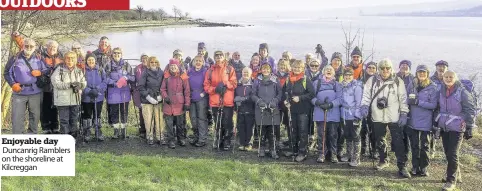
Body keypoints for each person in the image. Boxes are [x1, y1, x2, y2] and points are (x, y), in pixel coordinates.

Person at [360, 59, 410, 178]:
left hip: (394, 116)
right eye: (382, 68)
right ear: (379, 69)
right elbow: (366, 95)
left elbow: (403, 98)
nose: (385, 70)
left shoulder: (398, 81)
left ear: (391, 69)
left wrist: (404, 113)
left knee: (398, 141)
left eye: (388, 68)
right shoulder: (372, 80)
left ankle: (402, 166)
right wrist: (364, 106)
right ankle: (383, 160)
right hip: (377, 115)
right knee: (379, 139)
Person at [436, 70, 476, 191]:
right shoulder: (441, 90)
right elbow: (438, 107)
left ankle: (451, 181)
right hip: (444, 126)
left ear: (455, 78)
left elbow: (470, 109)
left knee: (453, 153)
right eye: (446, 77)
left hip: (457, 127)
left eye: (451, 77)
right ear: (443, 78)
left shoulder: (462, 92)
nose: (448, 79)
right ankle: (456, 174)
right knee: (448, 152)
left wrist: (469, 126)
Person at [4, 38, 47, 134]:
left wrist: (40, 72)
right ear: (23, 46)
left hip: (35, 92)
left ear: (35, 47)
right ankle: (18, 137)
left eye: (31, 46)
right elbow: (6, 72)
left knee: (35, 116)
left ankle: (32, 136)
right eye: (26, 45)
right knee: (17, 117)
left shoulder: (39, 58)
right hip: (19, 92)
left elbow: (47, 70)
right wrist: (12, 84)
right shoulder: (15, 58)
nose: (29, 48)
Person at [406, 65, 438, 177]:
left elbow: (434, 104)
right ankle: (415, 166)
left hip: (426, 121)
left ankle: (424, 167)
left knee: (424, 146)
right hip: (413, 120)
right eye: (420, 72)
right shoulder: (412, 84)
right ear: (416, 73)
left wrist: (418, 102)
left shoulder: (432, 87)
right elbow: (406, 99)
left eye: (424, 72)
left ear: (428, 74)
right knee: (414, 145)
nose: (422, 74)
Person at [204, 50, 237, 151]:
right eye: (216, 56)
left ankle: (227, 140)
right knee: (218, 122)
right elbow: (206, 86)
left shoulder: (229, 69)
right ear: (214, 58)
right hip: (215, 101)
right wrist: (214, 89)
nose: (219, 58)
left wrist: (226, 84)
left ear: (224, 57)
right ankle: (218, 139)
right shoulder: (210, 70)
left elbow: (234, 83)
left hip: (227, 100)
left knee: (227, 122)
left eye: (220, 56)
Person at [282, 60, 315, 161]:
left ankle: (302, 152)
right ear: (292, 68)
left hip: (303, 110)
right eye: (295, 67)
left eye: (298, 68)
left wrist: (300, 98)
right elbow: (285, 92)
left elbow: (312, 94)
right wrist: (286, 101)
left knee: (303, 131)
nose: (296, 69)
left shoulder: (305, 80)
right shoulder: (289, 79)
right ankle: (293, 150)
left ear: (302, 69)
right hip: (292, 109)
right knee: (293, 130)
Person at [51, 51, 87, 140]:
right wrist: (69, 85)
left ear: (75, 60)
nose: (70, 61)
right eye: (68, 58)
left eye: (72, 59)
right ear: (64, 59)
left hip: (75, 99)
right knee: (64, 120)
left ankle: (73, 137)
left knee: (74, 119)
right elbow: (55, 83)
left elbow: (84, 82)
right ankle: (65, 138)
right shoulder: (59, 70)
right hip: (62, 100)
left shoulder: (78, 71)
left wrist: (80, 85)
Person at [312, 65, 342, 163]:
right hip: (320, 113)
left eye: (331, 70)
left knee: (333, 134)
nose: (328, 71)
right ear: (323, 72)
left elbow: (340, 99)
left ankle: (333, 154)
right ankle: (321, 153)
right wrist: (318, 103)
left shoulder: (337, 84)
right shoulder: (317, 83)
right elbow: (311, 96)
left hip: (333, 113)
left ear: (334, 73)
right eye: (326, 69)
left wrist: (331, 104)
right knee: (321, 134)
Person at [252, 63, 282, 159]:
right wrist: (258, 101)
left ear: (270, 70)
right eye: (264, 69)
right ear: (261, 70)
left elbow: (280, 93)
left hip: (273, 108)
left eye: (267, 69)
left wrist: (275, 101)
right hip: (261, 108)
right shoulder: (257, 81)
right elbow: (253, 94)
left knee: (272, 130)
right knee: (262, 130)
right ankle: (261, 148)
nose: (265, 71)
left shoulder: (275, 80)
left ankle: (272, 149)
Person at [105, 47, 135, 139]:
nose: (116, 55)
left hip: (124, 93)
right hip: (113, 92)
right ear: (112, 54)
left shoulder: (126, 65)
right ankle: (116, 131)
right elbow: (105, 78)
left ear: (121, 54)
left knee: (124, 112)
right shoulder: (108, 65)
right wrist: (114, 83)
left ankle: (124, 131)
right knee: (114, 112)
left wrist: (126, 78)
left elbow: (133, 78)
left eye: (118, 53)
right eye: (114, 53)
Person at [162, 59, 191, 148]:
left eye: (175, 66)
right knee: (169, 124)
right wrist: (165, 96)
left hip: (180, 103)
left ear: (178, 66)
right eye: (171, 66)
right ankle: (171, 140)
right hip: (169, 103)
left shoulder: (183, 77)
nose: (173, 67)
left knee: (180, 124)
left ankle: (180, 138)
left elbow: (187, 91)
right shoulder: (166, 77)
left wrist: (187, 103)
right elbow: (162, 89)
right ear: (169, 67)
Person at [81, 52, 107, 142]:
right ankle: (87, 131)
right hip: (86, 97)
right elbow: (81, 82)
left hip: (98, 96)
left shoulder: (100, 70)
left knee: (97, 114)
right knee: (87, 115)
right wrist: (88, 90)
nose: (91, 61)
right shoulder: (83, 70)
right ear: (86, 61)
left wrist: (97, 89)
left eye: (92, 59)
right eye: (89, 60)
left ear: (95, 60)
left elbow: (105, 82)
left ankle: (97, 130)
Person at [340, 68, 363, 166]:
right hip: (345, 115)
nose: (348, 77)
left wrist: (357, 116)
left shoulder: (357, 87)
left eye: (350, 75)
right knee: (347, 135)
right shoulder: (341, 86)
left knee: (355, 136)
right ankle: (349, 154)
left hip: (354, 114)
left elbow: (359, 103)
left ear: (353, 76)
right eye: (346, 75)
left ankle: (356, 158)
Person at [139, 56, 165, 145]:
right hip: (147, 100)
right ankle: (149, 137)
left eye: (155, 62)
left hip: (158, 99)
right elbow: (141, 86)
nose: (154, 64)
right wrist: (148, 97)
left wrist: (161, 95)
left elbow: (164, 85)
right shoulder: (145, 73)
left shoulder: (161, 72)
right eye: (152, 62)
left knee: (159, 119)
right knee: (148, 119)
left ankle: (160, 137)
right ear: (149, 63)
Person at [188, 55, 209, 147]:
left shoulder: (205, 71)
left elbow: (208, 83)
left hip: (201, 97)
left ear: (202, 63)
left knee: (201, 118)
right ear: (193, 62)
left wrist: (204, 93)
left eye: (200, 61)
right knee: (193, 118)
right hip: (191, 97)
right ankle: (196, 136)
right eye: (196, 60)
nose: (198, 62)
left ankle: (202, 139)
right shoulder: (189, 71)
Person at [430, 60, 449, 158]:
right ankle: (431, 151)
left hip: (446, 109)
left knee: (446, 130)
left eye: (443, 66)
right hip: (433, 108)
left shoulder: (450, 79)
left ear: (447, 68)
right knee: (432, 128)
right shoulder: (430, 79)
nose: (441, 68)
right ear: (436, 67)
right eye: (439, 66)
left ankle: (448, 153)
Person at [234, 67, 256, 151]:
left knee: (249, 126)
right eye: (244, 72)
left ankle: (249, 143)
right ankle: (242, 143)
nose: (245, 74)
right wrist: (236, 99)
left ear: (250, 74)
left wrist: (245, 98)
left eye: (247, 73)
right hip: (240, 109)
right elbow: (234, 93)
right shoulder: (238, 84)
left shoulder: (253, 84)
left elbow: (253, 95)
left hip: (250, 109)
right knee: (241, 126)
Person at [396, 60, 415, 154]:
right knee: (397, 129)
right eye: (402, 65)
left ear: (410, 68)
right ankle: (397, 149)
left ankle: (407, 150)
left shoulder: (413, 79)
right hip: (395, 107)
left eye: (407, 65)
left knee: (407, 130)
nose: (404, 66)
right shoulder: (394, 77)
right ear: (399, 67)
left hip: (409, 108)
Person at [360, 61, 378, 157]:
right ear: (366, 69)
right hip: (363, 107)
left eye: (373, 68)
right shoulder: (361, 79)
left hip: (375, 108)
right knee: (363, 129)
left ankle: (374, 149)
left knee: (373, 130)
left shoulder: (378, 81)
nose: (371, 69)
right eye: (369, 67)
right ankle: (363, 148)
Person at [133, 54, 149, 138]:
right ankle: (143, 130)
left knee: (149, 111)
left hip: (149, 93)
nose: (144, 60)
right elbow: (133, 80)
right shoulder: (137, 68)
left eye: (146, 58)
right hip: (139, 93)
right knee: (141, 111)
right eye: (143, 58)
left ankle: (150, 129)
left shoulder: (151, 67)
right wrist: (133, 89)